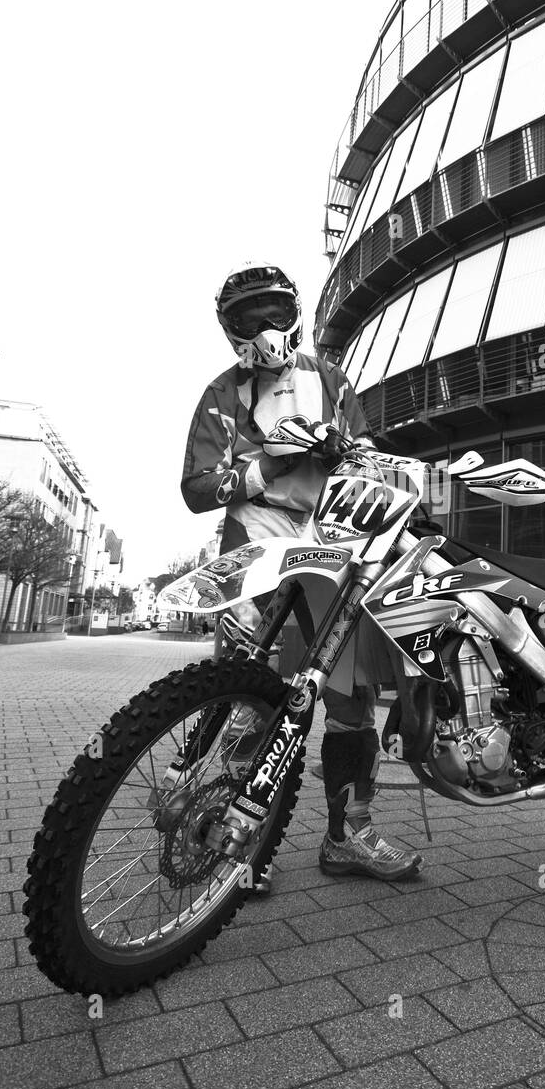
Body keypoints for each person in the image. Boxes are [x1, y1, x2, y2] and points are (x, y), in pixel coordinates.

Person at [180, 260, 424, 884]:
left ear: (296, 315)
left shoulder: (332, 381)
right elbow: (197, 488)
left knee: (347, 694)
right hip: (255, 532)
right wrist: (269, 465)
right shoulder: (219, 393)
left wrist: (355, 458)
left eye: (276, 313)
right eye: (248, 318)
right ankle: (230, 845)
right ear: (228, 329)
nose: (265, 328)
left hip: (330, 532)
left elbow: (371, 457)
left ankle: (349, 834)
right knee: (249, 690)